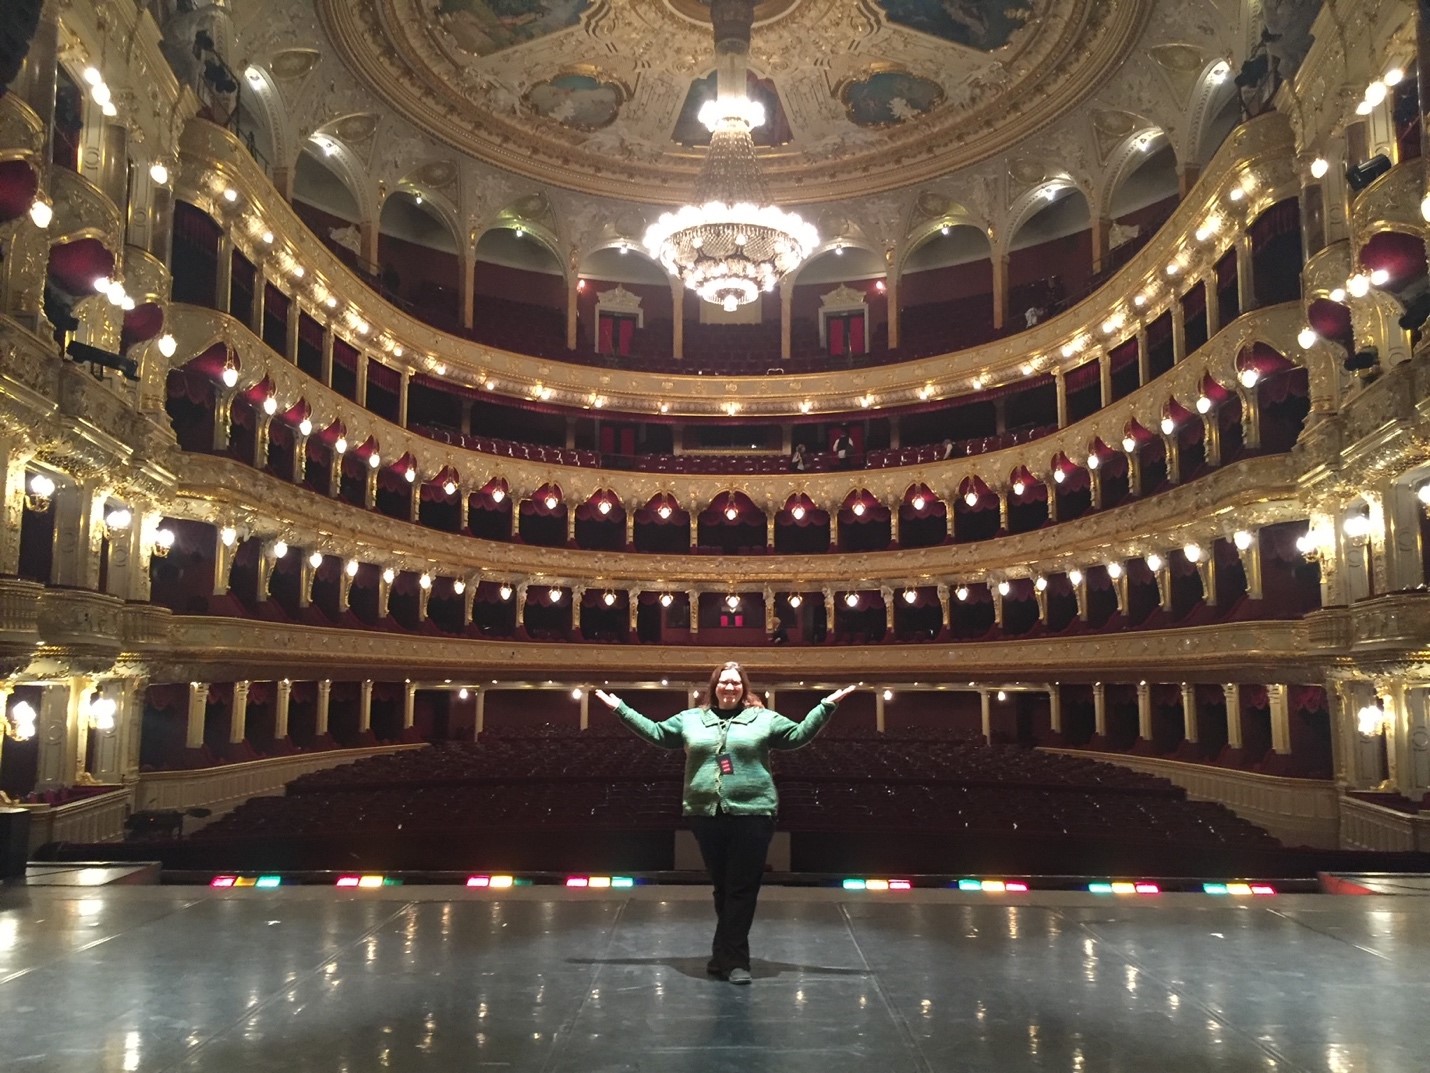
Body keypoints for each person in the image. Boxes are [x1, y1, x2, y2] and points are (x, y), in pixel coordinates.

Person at [594, 665, 855, 984]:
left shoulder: (764, 719)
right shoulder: (691, 719)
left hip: (754, 812)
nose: (729, 686)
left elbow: (797, 737)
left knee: (742, 888)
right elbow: (659, 735)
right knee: (723, 887)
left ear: (743, 687)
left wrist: (826, 707)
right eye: (723, 681)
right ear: (714, 686)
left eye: (735, 682)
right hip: (705, 812)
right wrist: (621, 709)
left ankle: (735, 962)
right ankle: (722, 957)